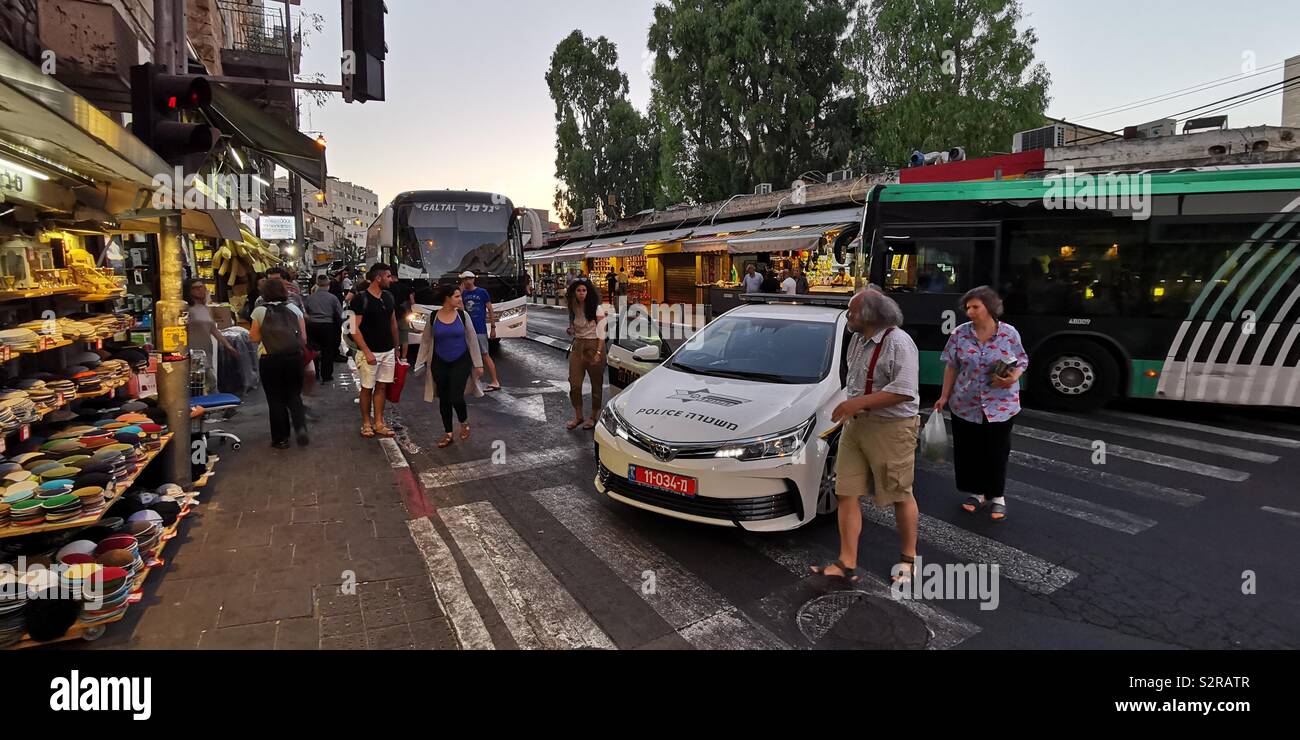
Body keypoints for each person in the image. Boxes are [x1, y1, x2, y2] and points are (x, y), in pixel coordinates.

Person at [813, 286, 921, 586]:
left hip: (892, 430)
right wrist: (849, 408)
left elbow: (904, 391)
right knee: (846, 492)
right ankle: (847, 562)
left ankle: (909, 557)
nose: (848, 316)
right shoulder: (857, 341)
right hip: (856, 427)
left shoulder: (899, 342)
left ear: (870, 315)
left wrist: (856, 403)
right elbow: (855, 382)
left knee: (899, 493)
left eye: (852, 311)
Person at [935, 286, 1029, 522]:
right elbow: (951, 365)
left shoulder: (1009, 333)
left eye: (975, 307)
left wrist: (1012, 378)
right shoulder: (960, 334)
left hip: (1001, 405)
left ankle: (997, 496)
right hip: (966, 403)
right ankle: (977, 493)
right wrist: (944, 396)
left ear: (990, 307)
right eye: (968, 308)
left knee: (997, 451)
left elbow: (1022, 360)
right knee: (970, 451)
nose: (970, 312)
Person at [414, 284, 485, 449]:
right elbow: (425, 341)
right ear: (447, 298)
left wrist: (478, 364)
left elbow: (472, 340)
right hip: (439, 362)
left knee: (456, 396)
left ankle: (464, 422)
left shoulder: (463, 315)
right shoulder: (433, 317)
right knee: (444, 399)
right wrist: (419, 363)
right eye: (457, 296)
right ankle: (448, 434)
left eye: (460, 296)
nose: (461, 300)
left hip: (461, 360)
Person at [249, 279, 309, 449]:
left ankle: (281, 439)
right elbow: (303, 338)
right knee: (294, 395)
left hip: (270, 360)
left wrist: (269, 338)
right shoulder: (294, 309)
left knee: (275, 399)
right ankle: (300, 427)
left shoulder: (259, 311)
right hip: (293, 358)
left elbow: (253, 337)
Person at [349, 263, 405, 438]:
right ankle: (366, 423)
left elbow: (393, 324)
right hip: (369, 352)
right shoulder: (359, 299)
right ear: (378, 278)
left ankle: (379, 422)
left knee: (382, 387)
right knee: (367, 387)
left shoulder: (388, 297)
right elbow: (353, 328)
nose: (391, 279)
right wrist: (366, 351)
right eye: (388, 276)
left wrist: (396, 348)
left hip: (387, 351)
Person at [565, 278, 607, 431]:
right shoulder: (573, 307)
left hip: (595, 345)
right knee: (574, 384)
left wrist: (598, 352)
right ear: (574, 293)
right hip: (578, 346)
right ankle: (578, 416)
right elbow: (573, 327)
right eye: (578, 290)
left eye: (584, 290)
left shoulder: (597, 309)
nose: (581, 293)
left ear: (588, 292)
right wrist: (571, 330)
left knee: (596, 384)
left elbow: (602, 332)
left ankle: (593, 416)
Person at [183, 278, 236, 392]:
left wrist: (227, 345)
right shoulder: (186, 309)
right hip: (192, 350)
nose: (200, 290)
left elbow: (213, 329)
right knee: (203, 381)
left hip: (206, 348)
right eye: (195, 288)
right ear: (189, 291)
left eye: (202, 287)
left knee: (207, 380)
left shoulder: (205, 308)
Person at [457, 271, 501, 391]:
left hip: (480, 329)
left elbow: (490, 309)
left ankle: (495, 381)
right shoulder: (463, 294)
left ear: (473, 279)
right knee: (469, 356)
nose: (466, 281)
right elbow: (461, 310)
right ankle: (474, 382)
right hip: (468, 329)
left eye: (469, 279)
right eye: (464, 279)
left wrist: (493, 327)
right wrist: (460, 295)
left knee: (485, 354)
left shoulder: (482, 292)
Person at [304, 274, 344, 382]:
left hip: (312, 326)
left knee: (313, 349)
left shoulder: (310, 298)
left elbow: (305, 312)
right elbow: (340, 314)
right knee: (327, 351)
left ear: (317, 284)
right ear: (328, 285)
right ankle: (326, 375)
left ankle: (315, 373)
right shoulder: (333, 298)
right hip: (327, 326)